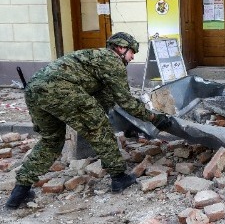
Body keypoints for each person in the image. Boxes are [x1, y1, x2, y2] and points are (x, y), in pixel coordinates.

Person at [4, 32, 173, 209]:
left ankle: (19, 192)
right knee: (101, 130)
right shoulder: (112, 61)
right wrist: (154, 118)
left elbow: (106, 100)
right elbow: (126, 101)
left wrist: (129, 125)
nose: (132, 57)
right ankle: (119, 178)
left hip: (34, 91)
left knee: (51, 141)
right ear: (121, 48)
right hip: (62, 90)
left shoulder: (94, 59)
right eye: (132, 52)